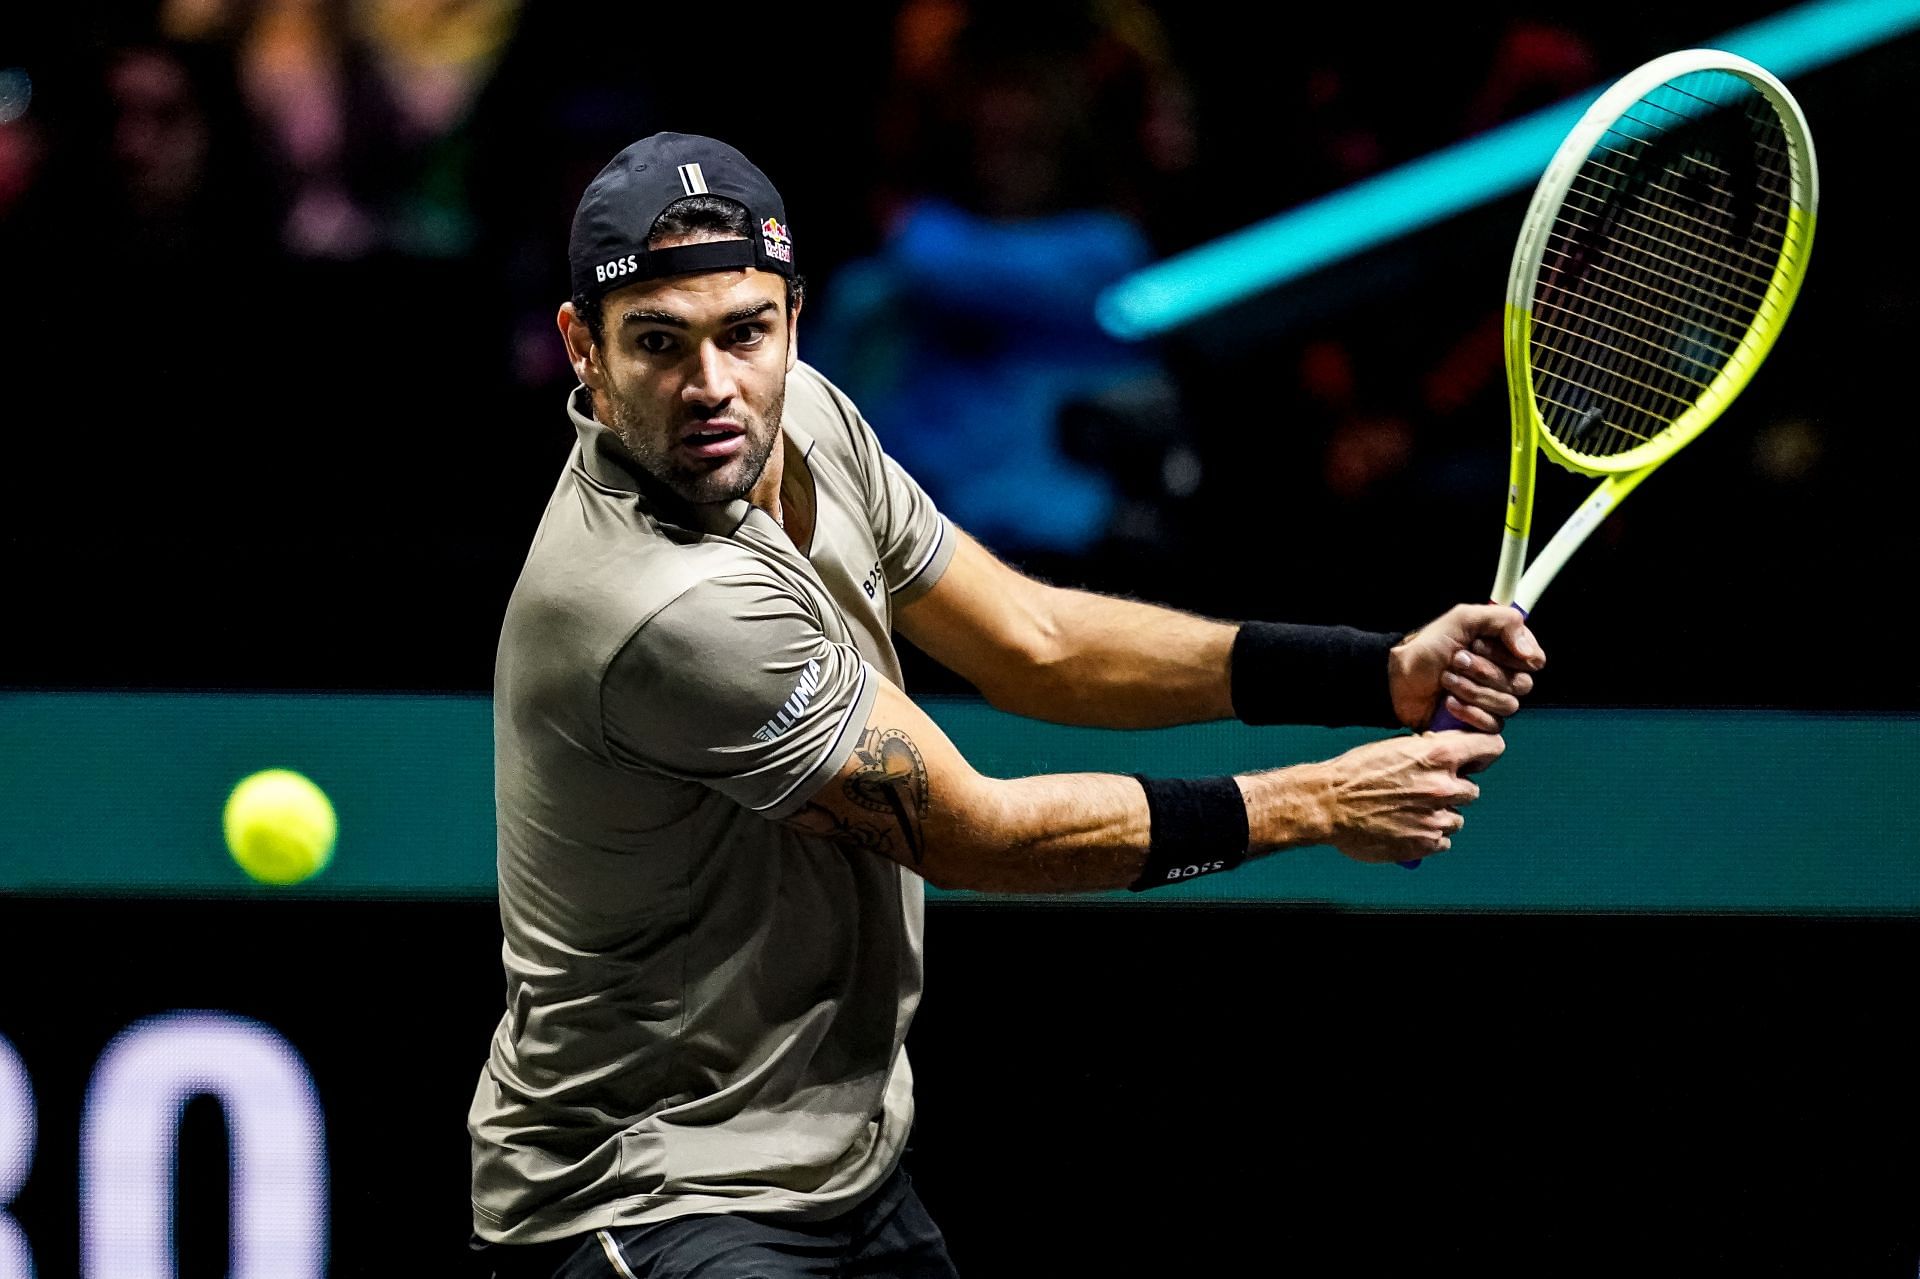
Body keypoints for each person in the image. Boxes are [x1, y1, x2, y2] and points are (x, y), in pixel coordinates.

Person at [466, 131, 1545, 1279]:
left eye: (745, 331)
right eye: (657, 345)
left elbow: (1033, 641)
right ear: (581, 347)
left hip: (844, 1162)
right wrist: (1317, 804)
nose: (713, 386)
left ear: (793, 314)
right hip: (647, 1193)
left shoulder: (813, 421)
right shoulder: (662, 607)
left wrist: (1368, 672)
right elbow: (981, 831)